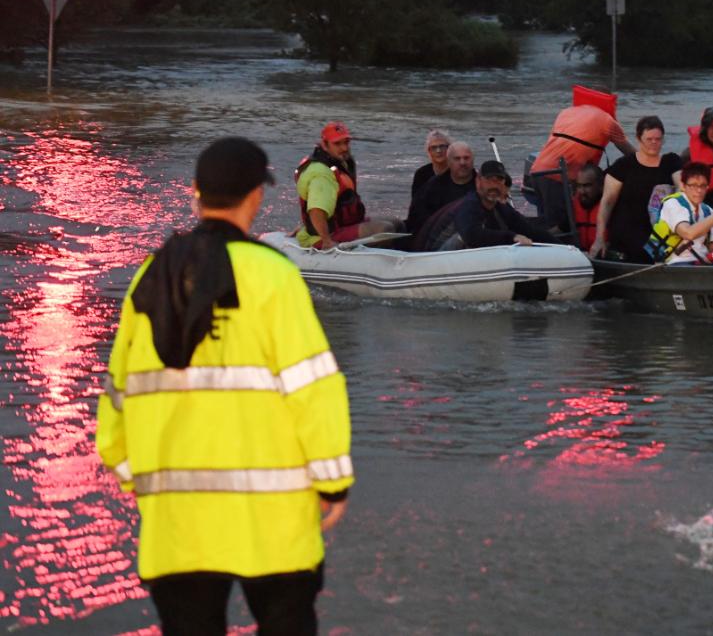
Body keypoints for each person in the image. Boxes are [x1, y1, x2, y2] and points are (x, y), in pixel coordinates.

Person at [96, 137, 354, 635]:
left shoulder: (152, 274)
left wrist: (139, 478)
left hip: (176, 524)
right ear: (257, 195)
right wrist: (332, 481)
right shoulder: (273, 275)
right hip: (272, 521)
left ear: (196, 191)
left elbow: (118, 395)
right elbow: (313, 389)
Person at [589, 116, 683, 264]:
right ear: (639, 139)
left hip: (659, 232)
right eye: (649, 139)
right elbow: (607, 202)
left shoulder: (671, 162)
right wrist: (599, 238)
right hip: (627, 232)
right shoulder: (623, 166)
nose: (654, 143)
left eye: (658, 139)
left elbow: (682, 185)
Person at [295, 121, 401, 249]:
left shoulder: (340, 162)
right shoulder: (322, 174)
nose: (344, 148)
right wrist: (327, 241)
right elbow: (316, 211)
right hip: (325, 236)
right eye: (337, 144)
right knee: (385, 229)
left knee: (397, 223)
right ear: (324, 145)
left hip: (344, 225)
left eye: (346, 142)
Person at [530, 103, 635, 228]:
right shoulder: (608, 121)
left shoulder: (567, 112)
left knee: (548, 221)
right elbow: (632, 154)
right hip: (556, 176)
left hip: (537, 171)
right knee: (560, 227)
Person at [421, 161, 552, 251]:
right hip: (436, 257)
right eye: (489, 180)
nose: (494, 186)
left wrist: (561, 247)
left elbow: (528, 230)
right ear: (478, 182)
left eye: (499, 180)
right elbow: (471, 235)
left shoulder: (501, 207)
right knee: (463, 237)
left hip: (467, 260)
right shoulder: (469, 204)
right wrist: (512, 237)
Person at [646, 162, 713, 265]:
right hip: (675, 263)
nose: (699, 190)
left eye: (703, 185)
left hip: (702, 263)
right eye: (693, 185)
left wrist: (712, 257)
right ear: (683, 186)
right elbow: (688, 233)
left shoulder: (708, 211)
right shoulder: (672, 203)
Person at [405, 141, 475, 235]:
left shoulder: (482, 186)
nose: (462, 162)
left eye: (466, 158)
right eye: (457, 159)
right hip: (437, 235)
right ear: (449, 162)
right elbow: (416, 215)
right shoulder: (432, 187)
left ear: (473, 160)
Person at [561, 162, 603, 252]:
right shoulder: (573, 206)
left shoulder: (613, 207)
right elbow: (561, 228)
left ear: (601, 186)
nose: (582, 191)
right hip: (580, 254)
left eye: (587, 186)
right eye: (579, 186)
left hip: (603, 256)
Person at [410, 129, 451, 200]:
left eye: (442, 146)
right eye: (434, 147)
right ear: (429, 151)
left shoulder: (458, 171)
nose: (438, 151)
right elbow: (415, 203)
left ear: (449, 148)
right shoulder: (421, 174)